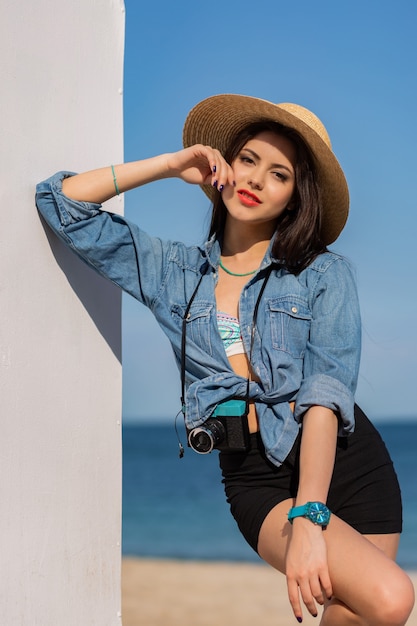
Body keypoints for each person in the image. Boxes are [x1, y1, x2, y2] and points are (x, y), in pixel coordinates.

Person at [36, 94, 414, 625]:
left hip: (345, 464)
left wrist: (310, 514)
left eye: (278, 174)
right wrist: (170, 166)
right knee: (393, 598)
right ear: (224, 165)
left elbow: (327, 395)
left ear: (293, 197)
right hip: (255, 476)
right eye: (248, 160)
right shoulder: (174, 273)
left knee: (357, 615)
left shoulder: (324, 274)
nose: (256, 180)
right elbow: (59, 204)